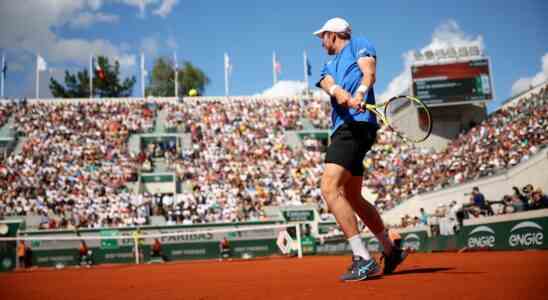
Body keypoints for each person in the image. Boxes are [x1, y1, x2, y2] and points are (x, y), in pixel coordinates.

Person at [313, 17, 406, 281]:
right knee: (352, 195)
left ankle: (362, 259)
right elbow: (327, 84)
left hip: (355, 127)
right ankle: (390, 250)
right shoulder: (327, 65)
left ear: (334, 35)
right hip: (344, 128)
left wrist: (361, 93)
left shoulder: (359, 45)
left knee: (329, 188)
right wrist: (341, 93)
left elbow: (369, 73)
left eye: (323, 36)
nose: (321, 42)